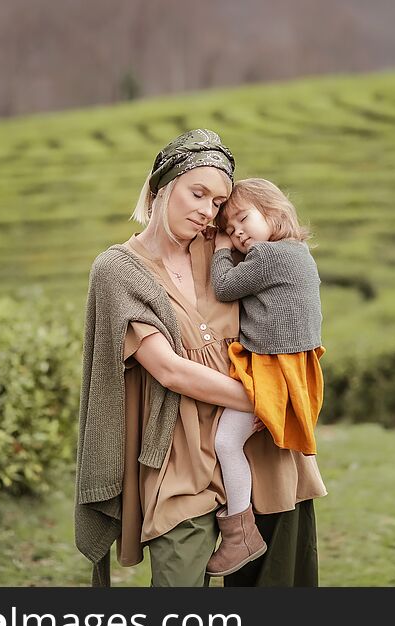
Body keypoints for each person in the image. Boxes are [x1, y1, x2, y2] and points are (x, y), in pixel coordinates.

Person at [74, 129, 327, 587]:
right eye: (197, 193)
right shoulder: (118, 270)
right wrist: (268, 398)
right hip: (181, 453)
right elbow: (168, 369)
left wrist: (290, 382)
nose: (207, 211)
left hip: (261, 449)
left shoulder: (224, 248)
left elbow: (291, 296)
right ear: (160, 189)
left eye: (218, 202)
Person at [205, 178, 326, 577]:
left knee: (225, 440)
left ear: (274, 213)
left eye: (242, 221)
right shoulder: (299, 253)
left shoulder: (270, 257)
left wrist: (221, 250)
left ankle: (239, 530)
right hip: (291, 369)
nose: (237, 233)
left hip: (272, 369)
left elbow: (223, 287)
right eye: (230, 230)